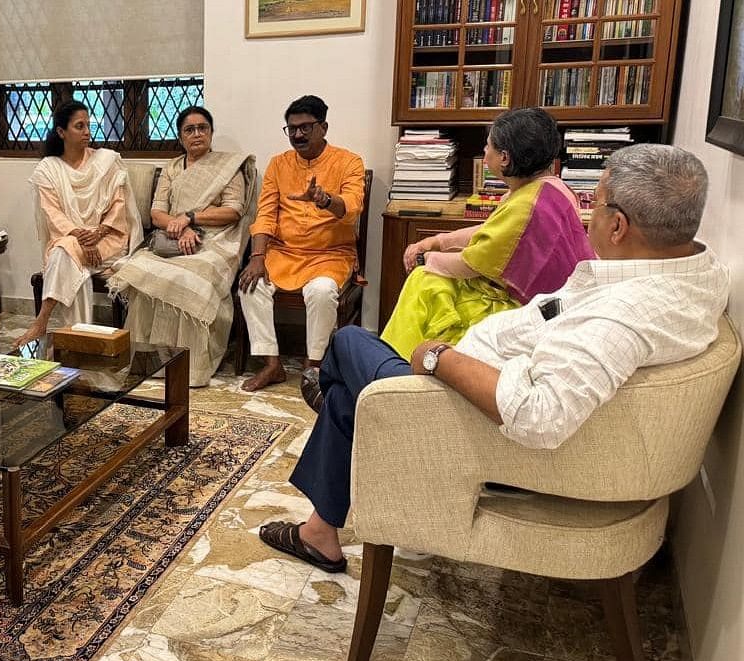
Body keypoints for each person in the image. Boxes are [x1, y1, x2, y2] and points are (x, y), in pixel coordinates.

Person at [257, 144, 728, 574]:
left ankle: (344, 419)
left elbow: (539, 418)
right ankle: (325, 507)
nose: (588, 215)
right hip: (485, 381)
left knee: (348, 345)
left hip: (465, 415)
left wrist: (439, 358)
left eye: (597, 203)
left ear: (620, 226)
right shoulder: (695, 273)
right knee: (346, 391)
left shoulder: (622, 317)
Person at [380, 108, 596, 359]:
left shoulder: (526, 206)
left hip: (525, 310)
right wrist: (438, 241)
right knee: (431, 281)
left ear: (504, 157)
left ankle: (396, 364)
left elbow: (470, 263)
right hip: (551, 303)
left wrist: (425, 258)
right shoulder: (551, 187)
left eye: (487, 145)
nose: (484, 151)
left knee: (425, 281)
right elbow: (492, 232)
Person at [108, 106, 256, 387]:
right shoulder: (173, 168)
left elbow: (234, 211)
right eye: (190, 130)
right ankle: (151, 359)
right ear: (180, 136)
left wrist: (191, 218)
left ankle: (191, 366)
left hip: (215, 241)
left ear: (211, 133)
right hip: (174, 238)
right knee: (142, 270)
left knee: (192, 274)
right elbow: (157, 212)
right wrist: (182, 227)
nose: (197, 134)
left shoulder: (228, 167)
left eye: (203, 128)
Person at [238, 95, 366, 392]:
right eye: (291, 128)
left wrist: (325, 199)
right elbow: (266, 213)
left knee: (321, 292)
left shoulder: (349, 162)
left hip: (329, 254)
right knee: (250, 285)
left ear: (323, 127)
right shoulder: (278, 164)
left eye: (305, 127)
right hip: (283, 252)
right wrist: (257, 256)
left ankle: (314, 366)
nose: (297, 134)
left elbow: (353, 206)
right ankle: (272, 365)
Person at [14, 100, 143, 349]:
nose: (87, 132)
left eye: (88, 125)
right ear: (62, 132)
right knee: (72, 262)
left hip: (108, 240)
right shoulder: (48, 169)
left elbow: (119, 205)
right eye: (79, 126)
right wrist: (82, 239)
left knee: (65, 253)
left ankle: (42, 321)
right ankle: (82, 344)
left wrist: (97, 234)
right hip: (72, 241)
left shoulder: (106, 161)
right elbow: (52, 215)